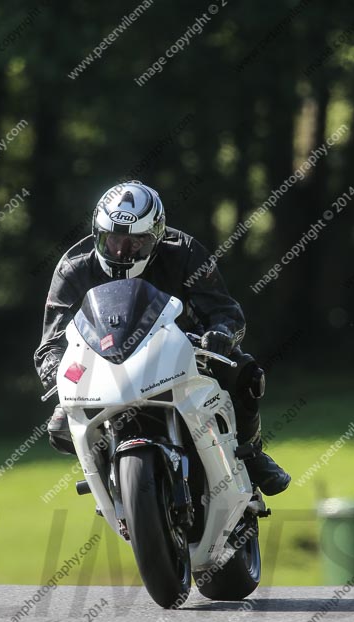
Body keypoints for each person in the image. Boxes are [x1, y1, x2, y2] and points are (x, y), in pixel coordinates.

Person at [34, 181, 290, 496]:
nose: (121, 251)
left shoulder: (183, 251)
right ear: (97, 232)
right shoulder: (73, 266)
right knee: (60, 424)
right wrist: (51, 364)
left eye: (135, 243)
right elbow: (52, 338)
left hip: (180, 352)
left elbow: (225, 310)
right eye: (112, 239)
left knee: (246, 373)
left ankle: (251, 453)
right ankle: (108, 478)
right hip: (103, 365)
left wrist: (221, 334)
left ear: (157, 237)